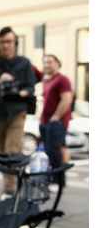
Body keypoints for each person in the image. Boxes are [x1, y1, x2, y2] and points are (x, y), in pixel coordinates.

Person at [0, 27, 37, 200]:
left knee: (12, 149)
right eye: (2, 42)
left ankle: (9, 190)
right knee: (4, 153)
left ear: (15, 43)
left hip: (18, 111)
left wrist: (20, 92)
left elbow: (31, 87)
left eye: (9, 42)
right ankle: (17, 179)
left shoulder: (24, 63)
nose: (5, 46)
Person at [39, 54, 73, 193]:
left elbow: (66, 99)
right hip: (45, 122)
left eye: (50, 62)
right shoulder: (47, 81)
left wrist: (55, 117)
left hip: (56, 123)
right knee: (50, 153)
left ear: (58, 63)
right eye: (45, 62)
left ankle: (59, 183)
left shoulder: (62, 80)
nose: (47, 65)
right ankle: (54, 180)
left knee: (55, 153)